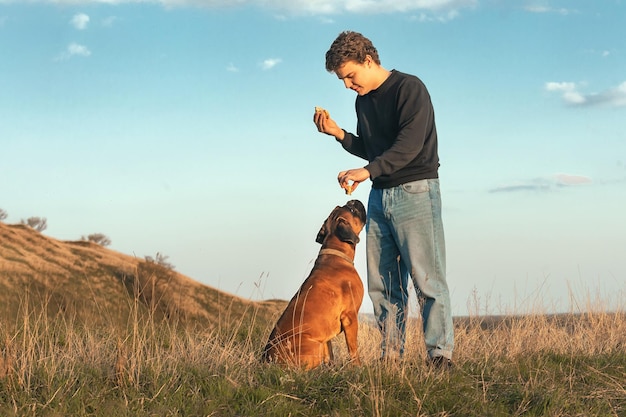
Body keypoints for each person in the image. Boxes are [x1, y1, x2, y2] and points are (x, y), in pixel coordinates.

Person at [313, 31, 454, 367]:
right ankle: (391, 357)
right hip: (379, 198)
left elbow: (408, 146)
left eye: (350, 75)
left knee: (427, 280)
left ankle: (440, 357)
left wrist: (367, 171)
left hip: (416, 191)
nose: (347, 85)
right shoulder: (363, 102)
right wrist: (340, 135)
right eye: (342, 80)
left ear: (368, 60)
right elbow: (374, 149)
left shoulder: (410, 89)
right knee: (384, 284)